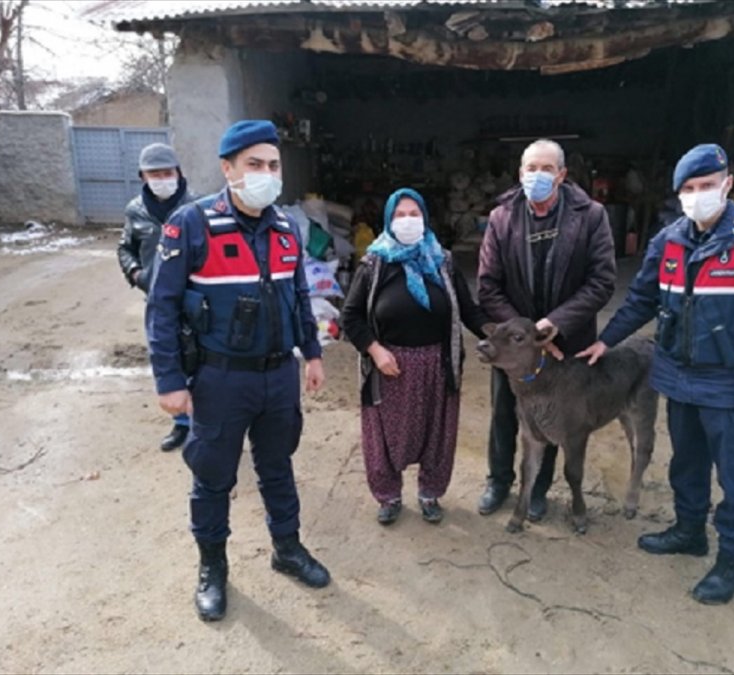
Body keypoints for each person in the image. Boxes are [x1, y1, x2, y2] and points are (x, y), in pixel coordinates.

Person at [577, 143, 734, 605]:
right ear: (679, 193)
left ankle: (732, 561)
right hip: (678, 378)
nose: (698, 195)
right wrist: (608, 339)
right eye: (689, 188)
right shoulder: (669, 240)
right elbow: (641, 298)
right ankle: (689, 530)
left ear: (727, 185)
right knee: (687, 462)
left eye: (707, 186)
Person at [145, 120, 329, 622]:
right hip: (219, 379)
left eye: (273, 165)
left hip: (277, 376)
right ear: (228, 169)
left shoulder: (287, 227)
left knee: (278, 467)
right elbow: (161, 308)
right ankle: (212, 568)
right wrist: (170, 381)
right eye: (254, 165)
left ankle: (287, 549)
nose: (266, 174)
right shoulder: (191, 224)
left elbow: (299, 297)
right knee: (213, 476)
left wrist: (311, 353)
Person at [476, 139, 617, 520]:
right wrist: (521, 332)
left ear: (562, 175)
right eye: (531, 169)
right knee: (506, 410)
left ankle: (538, 488)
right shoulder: (502, 218)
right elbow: (488, 285)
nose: (538, 176)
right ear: (520, 174)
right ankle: (499, 480)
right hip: (513, 343)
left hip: (565, 337)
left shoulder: (590, 217)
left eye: (547, 169)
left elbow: (602, 280)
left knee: (555, 413)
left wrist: (556, 322)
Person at [341, 188, 488, 525]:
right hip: (390, 368)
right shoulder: (374, 264)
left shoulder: (442, 261)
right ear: (389, 221)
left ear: (425, 218)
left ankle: (430, 494)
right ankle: (389, 497)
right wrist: (376, 351)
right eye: (400, 215)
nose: (408, 221)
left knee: (437, 434)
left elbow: (468, 311)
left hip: (439, 364)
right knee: (385, 438)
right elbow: (350, 318)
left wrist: (499, 334)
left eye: (414, 214)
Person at [117, 143, 195, 451]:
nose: (162, 178)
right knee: (167, 357)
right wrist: (136, 273)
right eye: (155, 174)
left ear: (178, 172)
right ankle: (182, 424)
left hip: (194, 299)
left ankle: (207, 422)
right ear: (143, 176)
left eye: (167, 172)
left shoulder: (196, 207)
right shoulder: (136, 210)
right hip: (158, 302)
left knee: (199, 361)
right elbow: (125, 247)